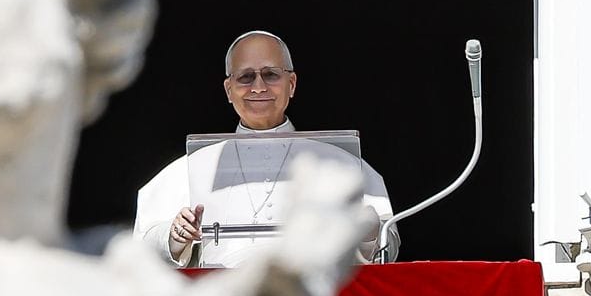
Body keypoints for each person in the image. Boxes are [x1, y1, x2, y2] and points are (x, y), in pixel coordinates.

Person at [134, 30, 400, 267]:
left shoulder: (338, 163)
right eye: (245, 77)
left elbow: (386, 246)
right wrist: (174, 236)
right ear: (229, 90)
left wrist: (368, 233)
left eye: (271, 75)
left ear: (291, 84)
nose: (258, 87)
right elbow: (142, 247)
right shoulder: (195, 165)